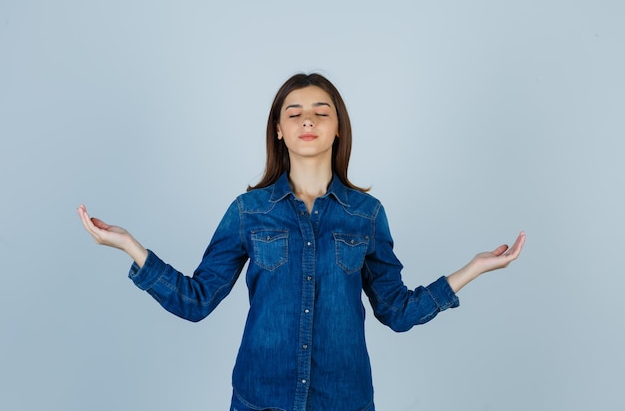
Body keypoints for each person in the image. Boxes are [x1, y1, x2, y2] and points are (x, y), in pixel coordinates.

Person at [77, 73, 525, 411]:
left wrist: (474, 268)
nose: (306, 118)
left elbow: (397, 311)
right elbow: (196, 300)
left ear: (337, 129)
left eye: (320, 111)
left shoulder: (367, 215)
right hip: (260, 399)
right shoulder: (249, 211)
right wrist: (130, 246)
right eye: (293, 112)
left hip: (345, 400)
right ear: (279, 129)